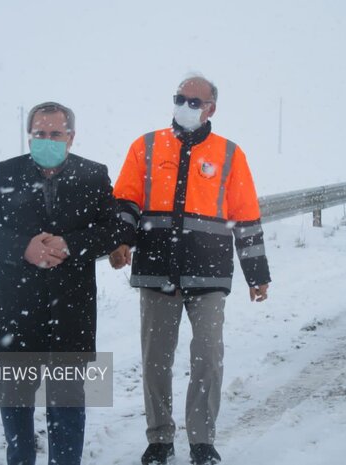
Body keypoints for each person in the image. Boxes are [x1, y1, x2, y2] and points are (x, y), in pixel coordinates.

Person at [110, 75, 271, 465]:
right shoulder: (145, 147)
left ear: (211, 108)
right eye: (180, 98)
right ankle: (160, 439)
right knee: (156, 359)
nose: (185, 105)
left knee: (208, 356)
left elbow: (246, 217)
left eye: (194, 101)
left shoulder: (229, 154)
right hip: (156, 270)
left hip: (209, 273)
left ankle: (202, 441)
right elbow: (126, 200)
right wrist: (121, 240)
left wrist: (257, 273)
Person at [0, 101, 133, 465]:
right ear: (30, 136)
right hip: (16, 315)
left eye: (55, 134)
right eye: (39, 134)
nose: (47, 140)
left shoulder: (93, 175)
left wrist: (71, 244)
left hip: (70, 315)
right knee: (17, 422)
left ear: (71, 137)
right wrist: (23, 248)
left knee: (68, 416)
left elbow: (116, 228)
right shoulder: (4, 173)